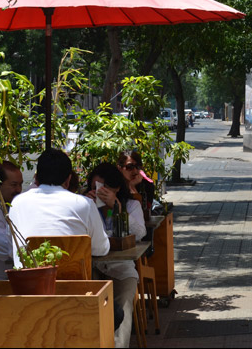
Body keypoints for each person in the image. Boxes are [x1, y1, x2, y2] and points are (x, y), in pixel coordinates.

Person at [9, 148, 110, 266]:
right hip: (73, 282)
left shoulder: (17, 203)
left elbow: (12, 252)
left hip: (28, 281)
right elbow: (101, 249)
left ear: (36, 178)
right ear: (68, 180)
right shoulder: (84, 204)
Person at [84, 163, 147, 348]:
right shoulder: (83, 206)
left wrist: (118, 209)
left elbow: (141, 233)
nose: (98, 193)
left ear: (116, 188)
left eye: (103, 189)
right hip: (91, 267)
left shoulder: (131, 205)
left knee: (123, 306)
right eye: (94, 188)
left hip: (120, 267)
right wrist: (84, 207)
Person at [117, 150, 155, 219]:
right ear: (120, 168)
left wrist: (132, 187)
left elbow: (143, 213)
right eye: (129, 167)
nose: (135, 171)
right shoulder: (114, 185)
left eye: (138, 166)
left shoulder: (147, 185)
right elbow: (109, 211)